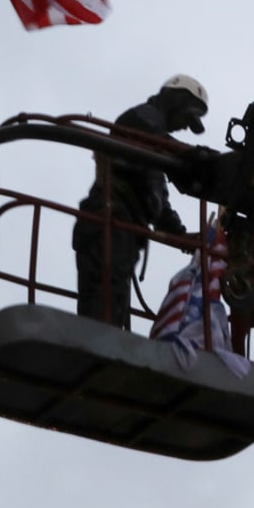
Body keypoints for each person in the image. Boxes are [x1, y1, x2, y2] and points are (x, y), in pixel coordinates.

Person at [72, 75, 209, 329]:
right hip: (109, 221)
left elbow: (157, 196)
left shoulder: (151, 152)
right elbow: (156, 141)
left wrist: (180, 235)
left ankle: (105, 351)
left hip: (120, 228)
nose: (182, 127)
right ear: (173, 101)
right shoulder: (142, 118)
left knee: (113, 306)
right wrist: (194, 157)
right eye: (184, 118)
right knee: (103, 305)